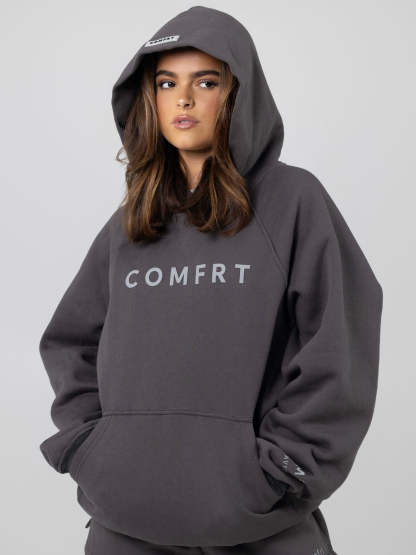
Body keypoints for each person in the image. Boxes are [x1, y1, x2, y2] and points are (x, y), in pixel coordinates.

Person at [38, 6, 383, 555]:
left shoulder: (293, 201)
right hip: (125, 527)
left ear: (238, 94)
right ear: (149, 98)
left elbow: (338, 345)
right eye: (166, 83)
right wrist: (93, 450)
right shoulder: (133, 220)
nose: (184, 99)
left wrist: (284, 470)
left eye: (206, 82)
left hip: (260, 527)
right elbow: (70, 342)